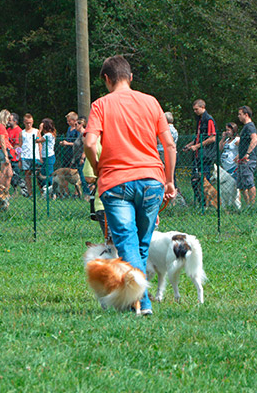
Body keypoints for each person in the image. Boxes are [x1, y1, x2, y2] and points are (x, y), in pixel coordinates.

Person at [84, 55, 176, 317]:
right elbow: (169, 145)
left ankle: (142, 304)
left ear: (106, 79)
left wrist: (99, 167)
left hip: (116, 183)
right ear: (131, 77)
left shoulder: (100, 105)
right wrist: (169, 180)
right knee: (141, 245)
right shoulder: (151, 102)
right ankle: (133, 300)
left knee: (126, 244)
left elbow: (90, 143)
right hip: (151, 182)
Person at [183, 99, 216, 204]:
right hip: (197, 155)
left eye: (196, 109)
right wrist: (190, 145)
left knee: (204, 181)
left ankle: (207, 204)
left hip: (205, 155)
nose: (195, 111)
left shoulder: (209, 120)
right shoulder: (199, 119)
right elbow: (199, 137)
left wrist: (197, 146)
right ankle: (201, 202)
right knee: (194, 180)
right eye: (194, 109)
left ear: (203, 107)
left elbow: (212, 138)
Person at [236, 106, 257, 206]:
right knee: (241, 185)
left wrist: (247, 154)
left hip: (248, 160)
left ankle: (252, 206)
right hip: (241, 159)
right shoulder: (245, 127)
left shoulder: (250, 126)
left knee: (249, 183)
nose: (238, 116)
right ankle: (248, 204)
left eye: (240, 114)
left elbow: (255, 139)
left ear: (246, 115)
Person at [7, 112, 28, 196]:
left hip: (14, 157)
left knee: (15, 175)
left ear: (15, 121)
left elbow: (18, 145)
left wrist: (19, 158)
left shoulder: (19, 131)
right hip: (8, 155)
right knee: (9, 176)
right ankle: (15, 191)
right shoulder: (8, 130)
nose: (8, 121)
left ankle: (21, 189)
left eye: (10, 120)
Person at [21, 113, 42, 196]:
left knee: (37, 175)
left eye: (30, 122)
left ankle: (41, 192)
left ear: (32, 122)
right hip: (25, 156)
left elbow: (39, 144)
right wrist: (19, 157)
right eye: (27, 123)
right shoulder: (22, 133)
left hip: (35, 156)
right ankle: (30, 193)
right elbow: (20, 145)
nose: (28, 124)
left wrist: (40, 156)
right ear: (24, 122)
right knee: (27, 175)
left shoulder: (36, 131)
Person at [0, 109, 13, 191]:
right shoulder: (1, 127)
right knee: (3, 173)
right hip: (2, 151)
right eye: (8, 118)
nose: (9, 120)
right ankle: (0, 191)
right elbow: (2, 141)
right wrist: (6, 156)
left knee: (9, 174)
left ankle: (6, 191)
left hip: (3, 150)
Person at [70, 116, 90, 196]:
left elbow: (86, 145)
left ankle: (87, 194)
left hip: (82, 159)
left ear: (81, 124)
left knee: (83, 177)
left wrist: (83, 157)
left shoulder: (84, 134)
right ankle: (83, 193)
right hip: (77, 159)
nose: (75, 127)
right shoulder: (80, 134)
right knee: (81, 178)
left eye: (76, 124)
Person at [36, 118, 56, 188]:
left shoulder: (48, 135)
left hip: (48, 156)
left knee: (48, 173)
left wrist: (39, 130)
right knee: (44, 173)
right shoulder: (49, 135)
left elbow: (37, 140)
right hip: (47, 156)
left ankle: (50, 188)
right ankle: (46, 188)